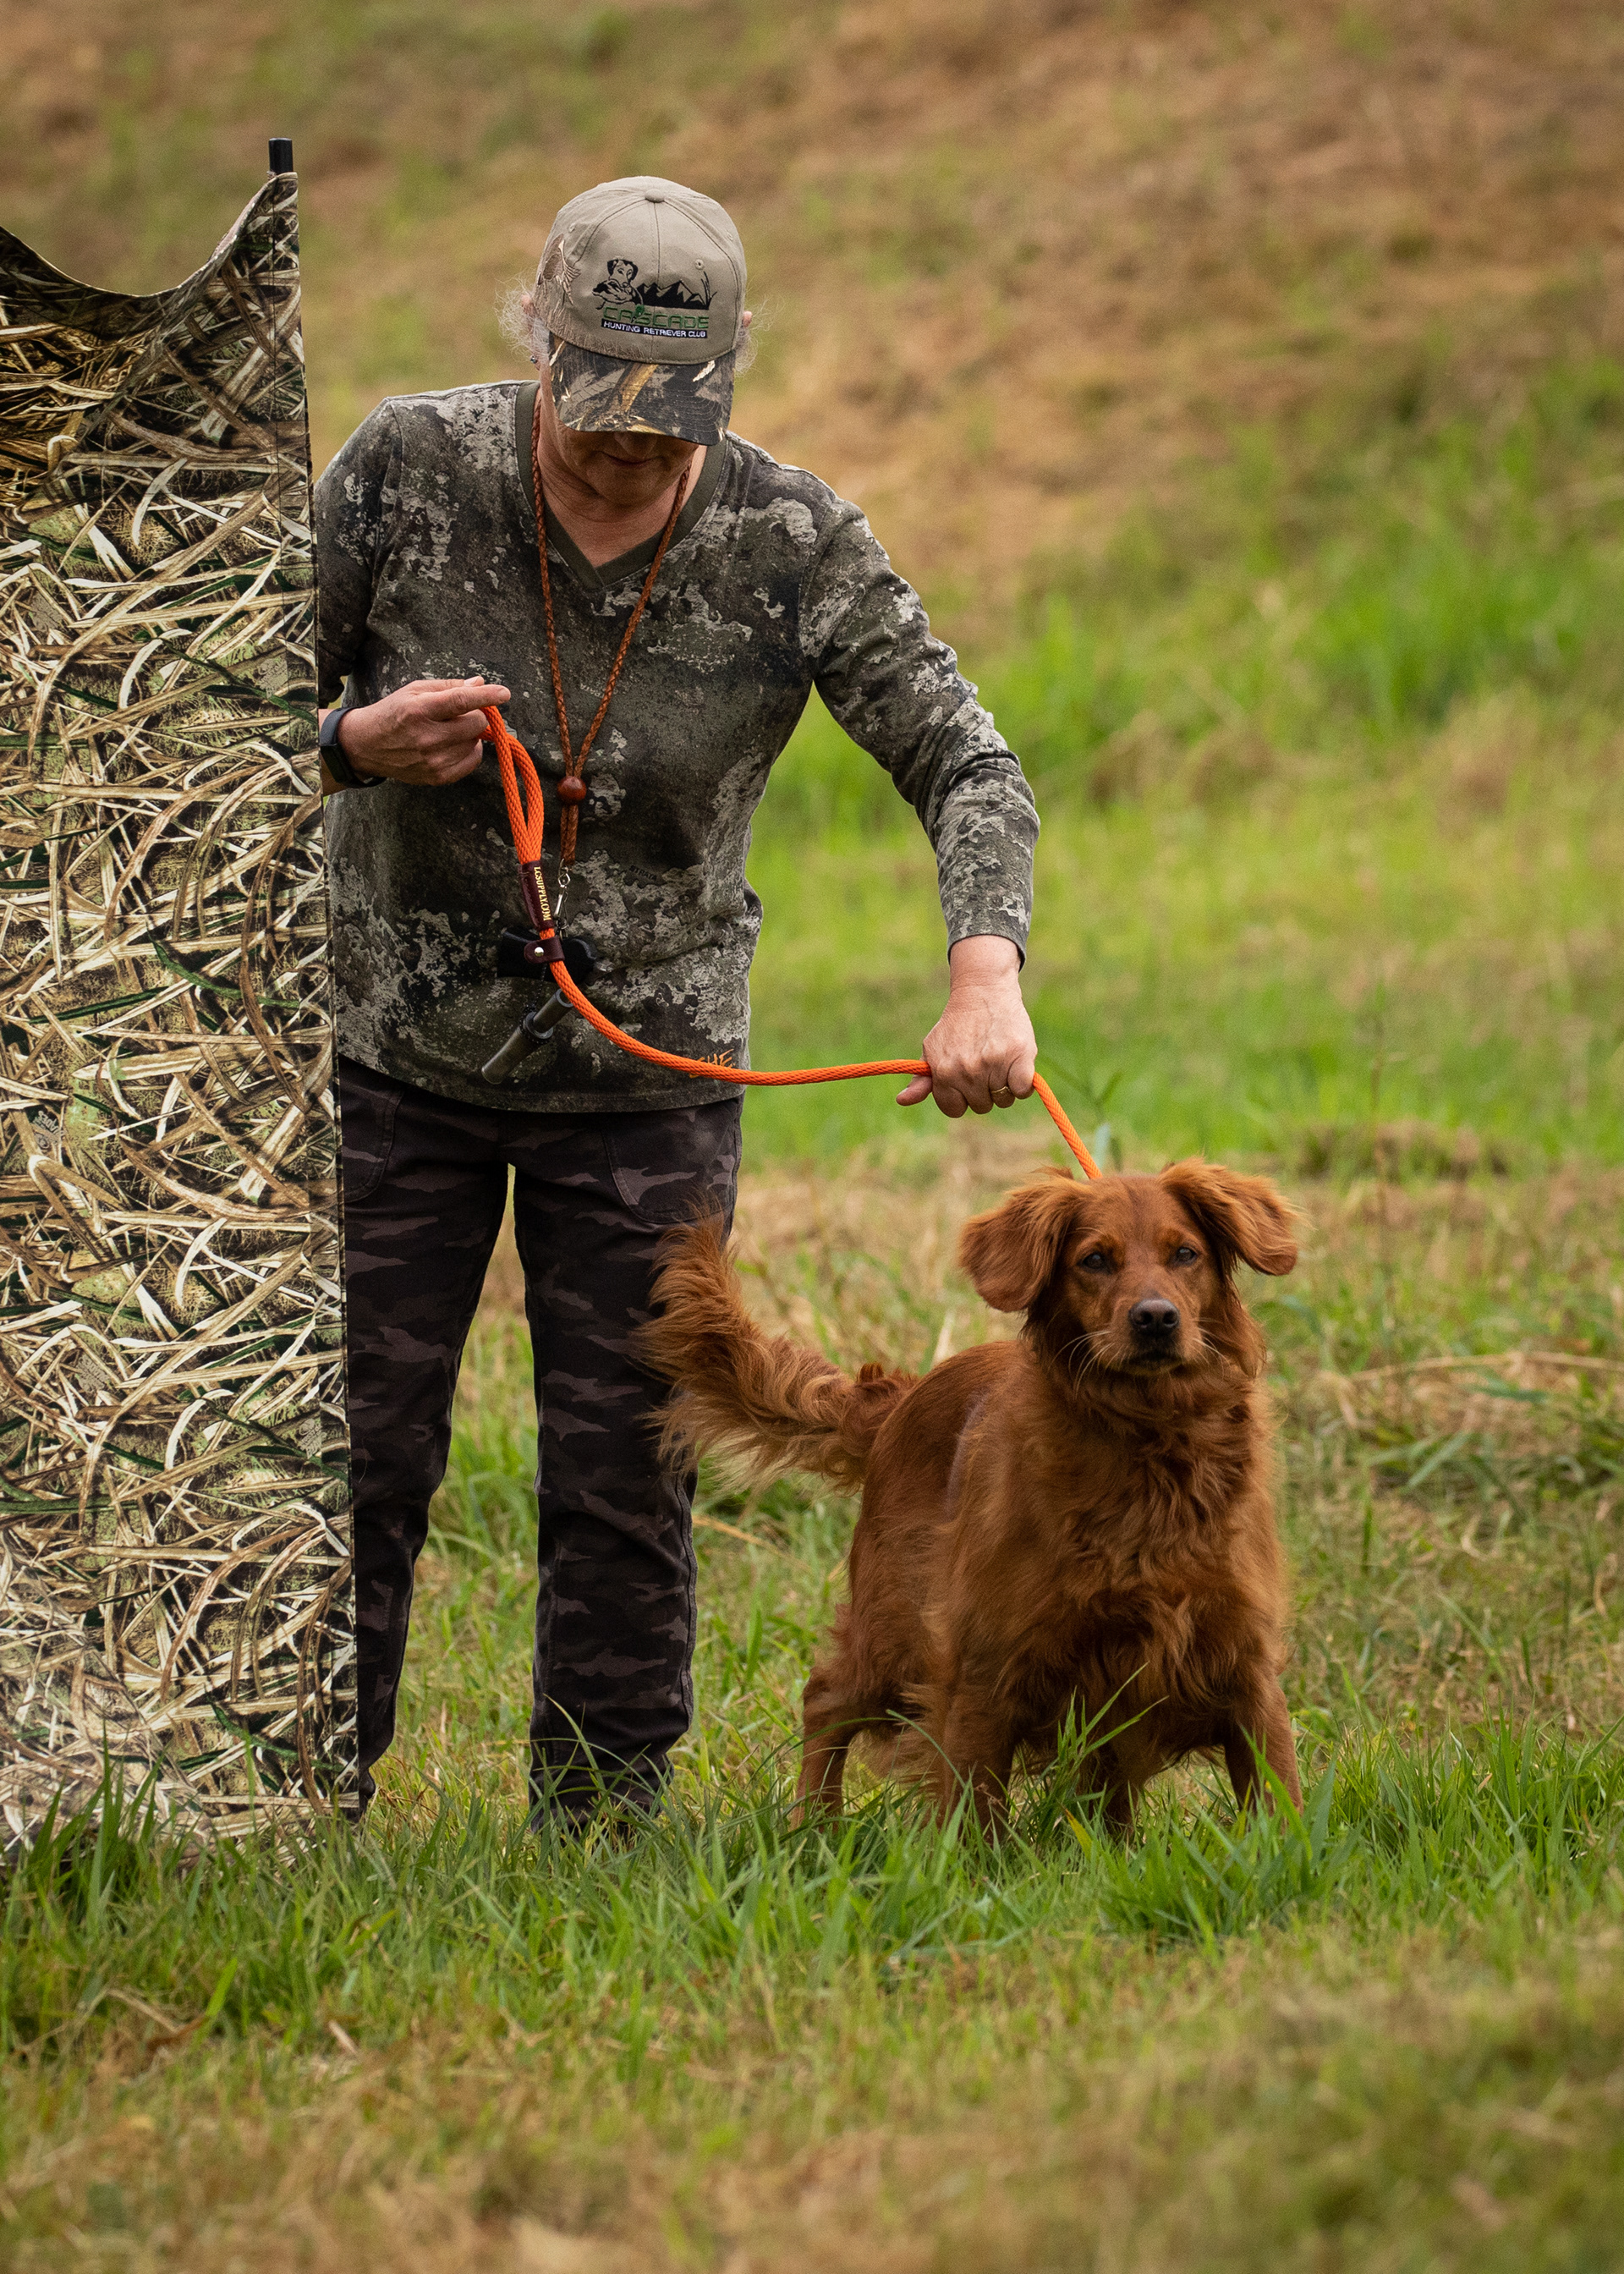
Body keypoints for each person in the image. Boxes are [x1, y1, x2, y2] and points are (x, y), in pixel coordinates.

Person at [313, 175, 1040, 1823]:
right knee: (356, 1458)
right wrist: (357, 748)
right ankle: (300, 1805)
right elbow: (220, 708)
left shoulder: (791, 540)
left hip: (647, 1086)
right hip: (395, 1056)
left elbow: (966, 759)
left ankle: (600, 1822)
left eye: (667, 424)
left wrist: (983, 972)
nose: (628, 453)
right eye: (596, 415)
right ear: (536, 343)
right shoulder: (409, 470)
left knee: (628, 1470)